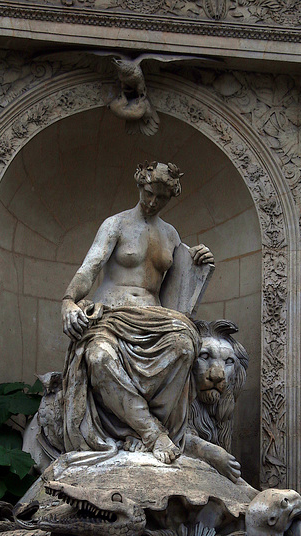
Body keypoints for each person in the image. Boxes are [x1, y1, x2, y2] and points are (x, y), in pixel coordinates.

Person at [60, 161, 215, 465]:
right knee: (99, 358)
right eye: (149, 194)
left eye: (161, 198)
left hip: (156, 318)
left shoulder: (171, 235)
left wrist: (197, 259)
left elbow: (178, 292)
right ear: (140, 186)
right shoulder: (115, 224)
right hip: (112, 315)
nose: (153, 202)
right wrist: (68, 300)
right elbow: (89, 268)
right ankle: (151, 433)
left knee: (185, 345)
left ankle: (150, 427)